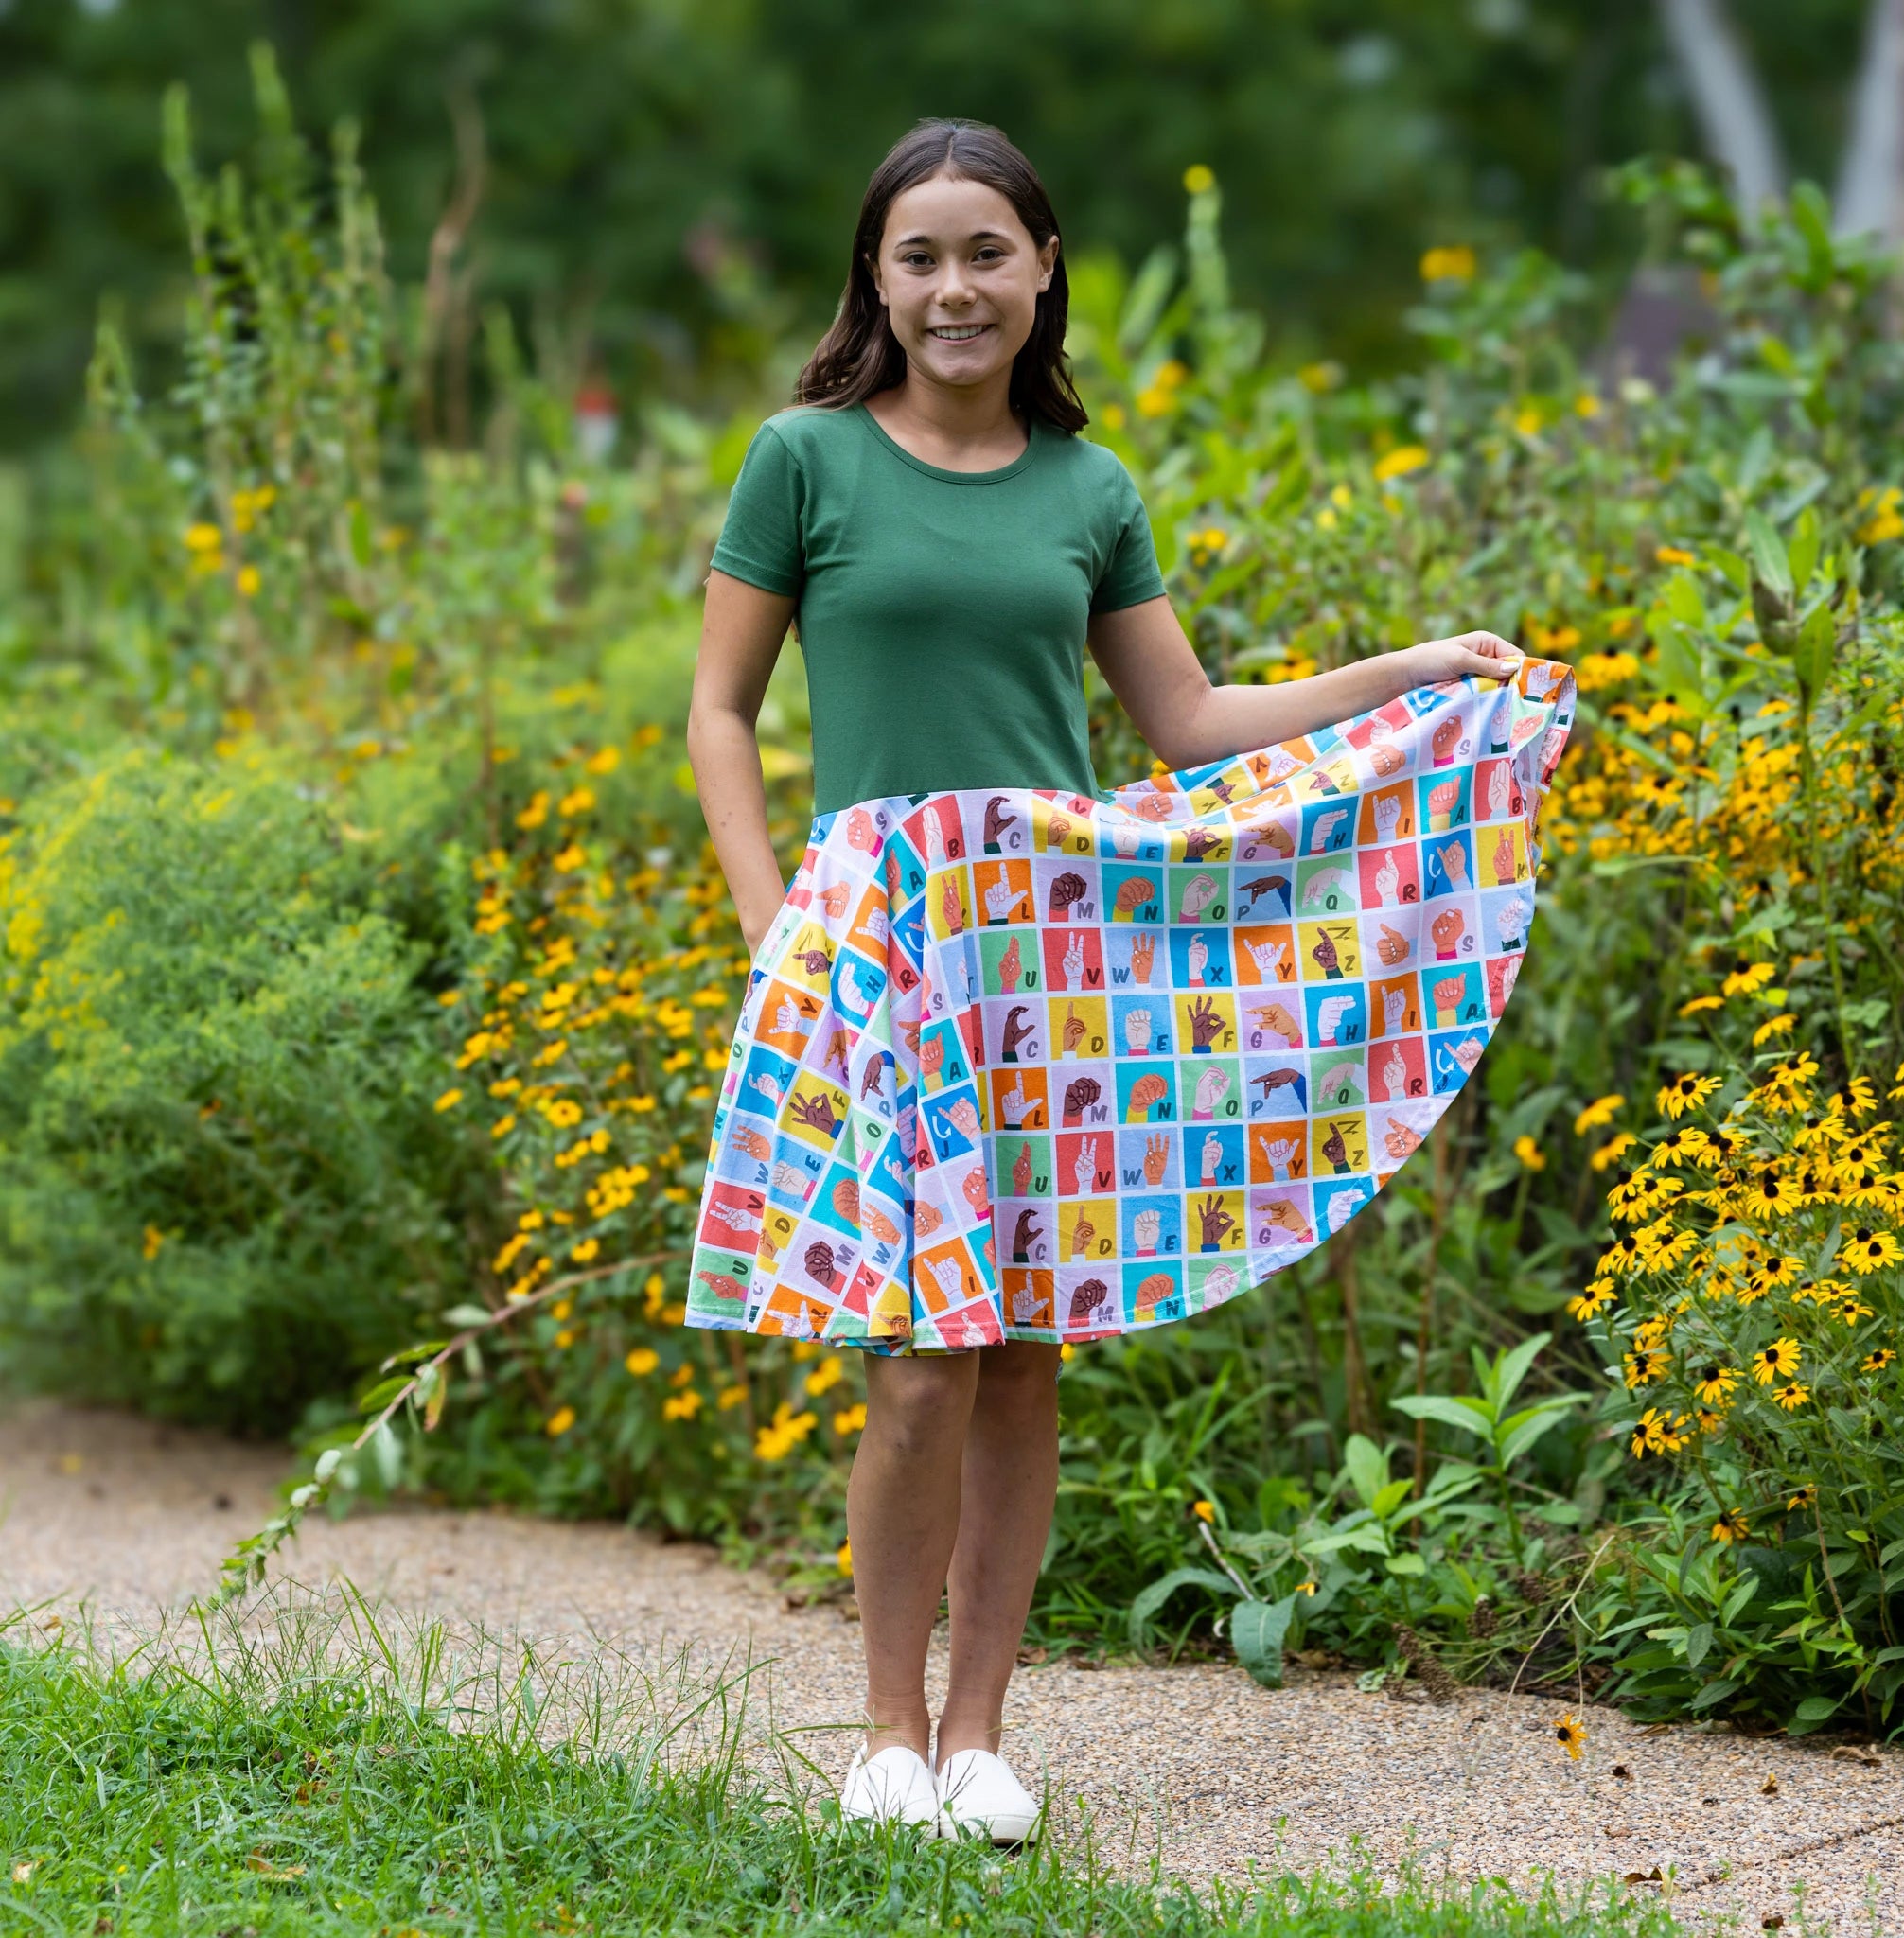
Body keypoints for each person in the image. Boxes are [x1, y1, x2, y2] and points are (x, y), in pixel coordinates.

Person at [684, 117, 1566, 1843]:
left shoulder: (1090, 490)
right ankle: (882, 1732)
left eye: (988, 254)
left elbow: (1189, 726)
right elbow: (720, 710)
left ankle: (983, 1739)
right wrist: (771, 921)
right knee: (917, 1358)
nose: (956, 288)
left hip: (1054, 948)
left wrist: (1416, 669)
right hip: (883, 936)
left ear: (1044, 271)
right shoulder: (802, 459)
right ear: (877, 274)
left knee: (1024, 1356)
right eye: (921, 256)